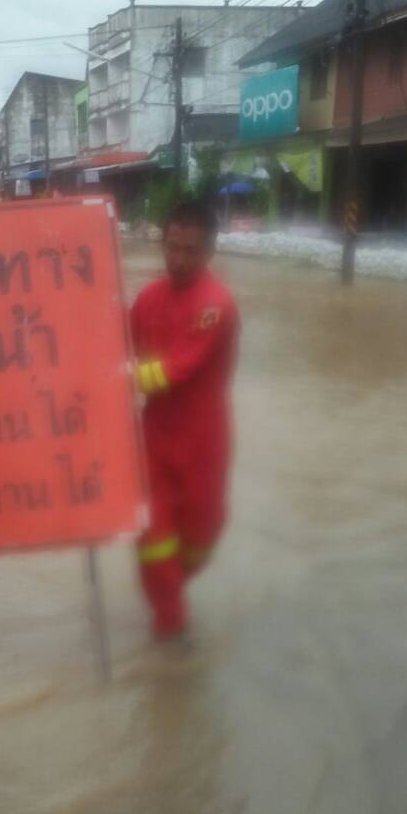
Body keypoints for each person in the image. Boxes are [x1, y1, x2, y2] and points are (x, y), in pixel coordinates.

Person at [130, 200, 239, 640]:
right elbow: (118, 333)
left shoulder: (215, 305)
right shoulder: (149, 298)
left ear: (210, 250)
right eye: (172, 247)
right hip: (154, 436)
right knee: (153, 537)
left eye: (191, 250)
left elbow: (175, 368)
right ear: (162, 243)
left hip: (202, 439)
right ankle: (170, 631)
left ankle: (170, 596)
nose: (178, 259)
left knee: (201, 535)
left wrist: (117, 380)